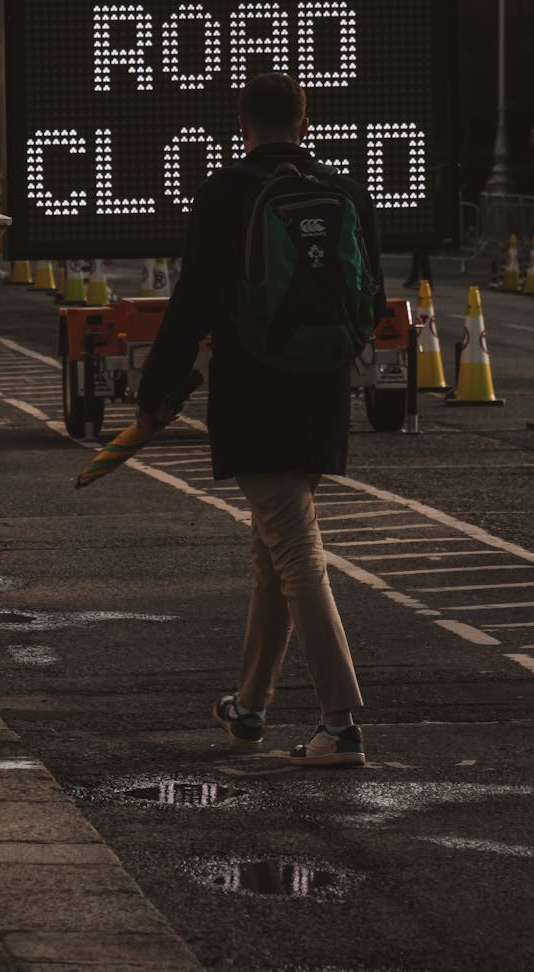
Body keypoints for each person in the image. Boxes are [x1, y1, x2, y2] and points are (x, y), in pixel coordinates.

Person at [137, 72, 385, 767]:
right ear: (304, 126)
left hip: (253, 393)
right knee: (272, 553)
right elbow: (372, 299)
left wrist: (156, 392)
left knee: (296, 554)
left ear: (240, 125)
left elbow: (190, 303)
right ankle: (249, 708)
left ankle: (339, 724)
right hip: (322, 392)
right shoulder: (347, 191)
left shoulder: (225, 191)